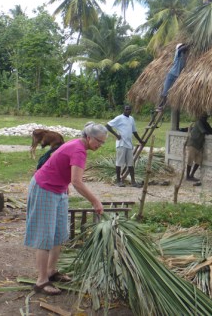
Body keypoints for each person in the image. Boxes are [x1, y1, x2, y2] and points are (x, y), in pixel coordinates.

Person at [24, 122, 106, 296]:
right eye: (99, 141)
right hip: (44, 188)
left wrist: (63, 182)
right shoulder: (78, 150)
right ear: (89, 137)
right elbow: (77, 182)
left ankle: (51, 271)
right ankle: (41, 281)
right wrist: (95, 201)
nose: (101, 145)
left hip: (58, 189)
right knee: (45, 236)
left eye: (103, 142)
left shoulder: (77, 145)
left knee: (59, 234)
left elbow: (56, 158)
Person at [106, 105, 144, 187]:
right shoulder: (119, 118)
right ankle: (118, 181)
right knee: (119, 163)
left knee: (130, 163)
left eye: (129, 109)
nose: (128, 110)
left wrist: (140, 140)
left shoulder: (131, 119)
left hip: (129, 144)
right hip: (121, 144)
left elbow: (134, 131)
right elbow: (108, 126)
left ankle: (133, 182)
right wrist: (116, 135)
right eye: (126, 109)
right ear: (123, 110)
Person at [157, 43, 190, 111]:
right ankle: (161, 105)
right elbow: (181, 49)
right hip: (171, 75)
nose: (183, 47)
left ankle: (165, 104)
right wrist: (188, 45)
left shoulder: (184, 57)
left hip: (178, 76)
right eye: (181, 46)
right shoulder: (177, 54)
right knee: (165, 91)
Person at [185, 113, 212, 184]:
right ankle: (187, 176)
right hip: (192, 144)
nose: (205, 119)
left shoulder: (205, 123)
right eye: (203, 117)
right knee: (190, 160)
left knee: (199, 160)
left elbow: (211, 130)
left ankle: (192, 175)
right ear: (200, 117)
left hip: (199, 146)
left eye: (205, 118)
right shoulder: (198, 123)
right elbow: (204, 131)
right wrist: (208, 130)